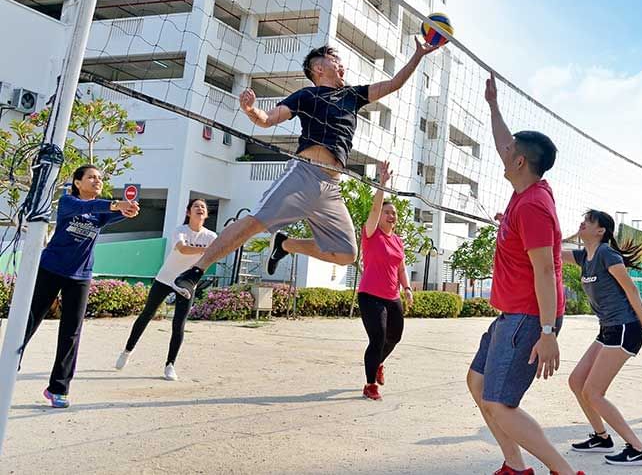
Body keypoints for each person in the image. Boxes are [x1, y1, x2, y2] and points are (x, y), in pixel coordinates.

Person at [172, 41, 439, 299]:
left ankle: (286, 244)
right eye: (335, 60)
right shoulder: (306, 95)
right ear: (319, 68)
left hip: (331, 188)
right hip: (303, 176)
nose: (342, 64)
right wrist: (251, 110)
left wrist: (418, 55)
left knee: (347, 253)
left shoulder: (352, 95)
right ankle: (195, 272)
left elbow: (394, 84)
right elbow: (267, 120)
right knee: (253, 223)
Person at [467, 75, 584, 475]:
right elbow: (504, 142)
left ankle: (565, 472)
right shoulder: (526, 190)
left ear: (519, 162)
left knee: (501, 402)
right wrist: (493, 106)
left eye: (510, 151)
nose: (503, 152)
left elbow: (547, 274)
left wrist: (548, 334)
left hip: (530, 317)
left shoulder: (532, 205)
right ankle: (515, 467)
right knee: (478, 385)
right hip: (513, 313)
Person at [20, 165, 139, 408]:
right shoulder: (68, 203)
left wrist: (128, 209)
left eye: (100, 179)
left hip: (80, 276)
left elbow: (116, 213)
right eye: (91, 177)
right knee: (30, 319)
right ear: (77, 182)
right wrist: (116, 205)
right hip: (51, 269)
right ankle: (9, 367)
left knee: (71, 332)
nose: (97, 181)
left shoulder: (101, 212)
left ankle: (58, 388)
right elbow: (90, 207)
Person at [564, 210, 642, 466]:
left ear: (600, 230)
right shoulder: (583, 256)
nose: (582, 223)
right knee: (577, 381)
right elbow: (547, 250)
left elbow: (632, 291)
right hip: (608, 329)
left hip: (626, 328)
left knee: (593, 391)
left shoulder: (606, 254)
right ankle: (601, 437)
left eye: (588, 221)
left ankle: (638, 448)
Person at [116, 198, 216, 381]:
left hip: (187, 282)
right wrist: (207, 250)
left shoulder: (211, 236)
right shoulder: (180, 230)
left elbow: (213, 255)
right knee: (147, 314)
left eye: (203, 207)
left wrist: (208, 254)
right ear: (188, 212)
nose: (200, 209)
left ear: (207, 214)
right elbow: (182, 249)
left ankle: (170, 365)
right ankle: (127, 350)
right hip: (166, 278)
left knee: (179, 324)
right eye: (196, 206)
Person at [356, 160, 413, 401]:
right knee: (377, 337)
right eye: (387, 212)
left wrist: (407, 288)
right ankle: (370, 385)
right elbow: (374, 210)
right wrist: (382, 184)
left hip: (392, 296)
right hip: (370, 295)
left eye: (394, 213)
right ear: (380, 216)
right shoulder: (371, 233)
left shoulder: (398, 241)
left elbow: (401, 267)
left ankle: (378, 362)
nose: (392, 215)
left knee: (395, 336)